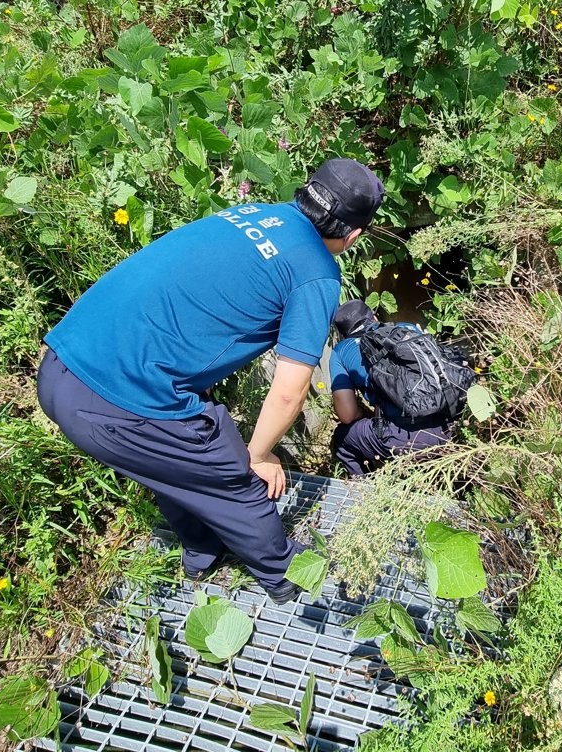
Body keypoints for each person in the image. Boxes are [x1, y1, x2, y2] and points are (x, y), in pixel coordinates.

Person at [37, 159, 385, 604]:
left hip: (61, 363)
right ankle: (287, 578)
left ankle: (203, 551)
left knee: (175, 462)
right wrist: (259, 455)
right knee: (228, 470)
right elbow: (290, 390)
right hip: (117, 397)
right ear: (353, 235)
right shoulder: (316, 271)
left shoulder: (253, 213)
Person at [328, 301, 453, 476]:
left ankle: (365, 494)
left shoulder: (341, 351)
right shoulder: (406, 327)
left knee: (343, 438)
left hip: (406, 441)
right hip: (451, 425)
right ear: (375, 317)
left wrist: (364, 413)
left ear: (343, 334)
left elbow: (347, 415)